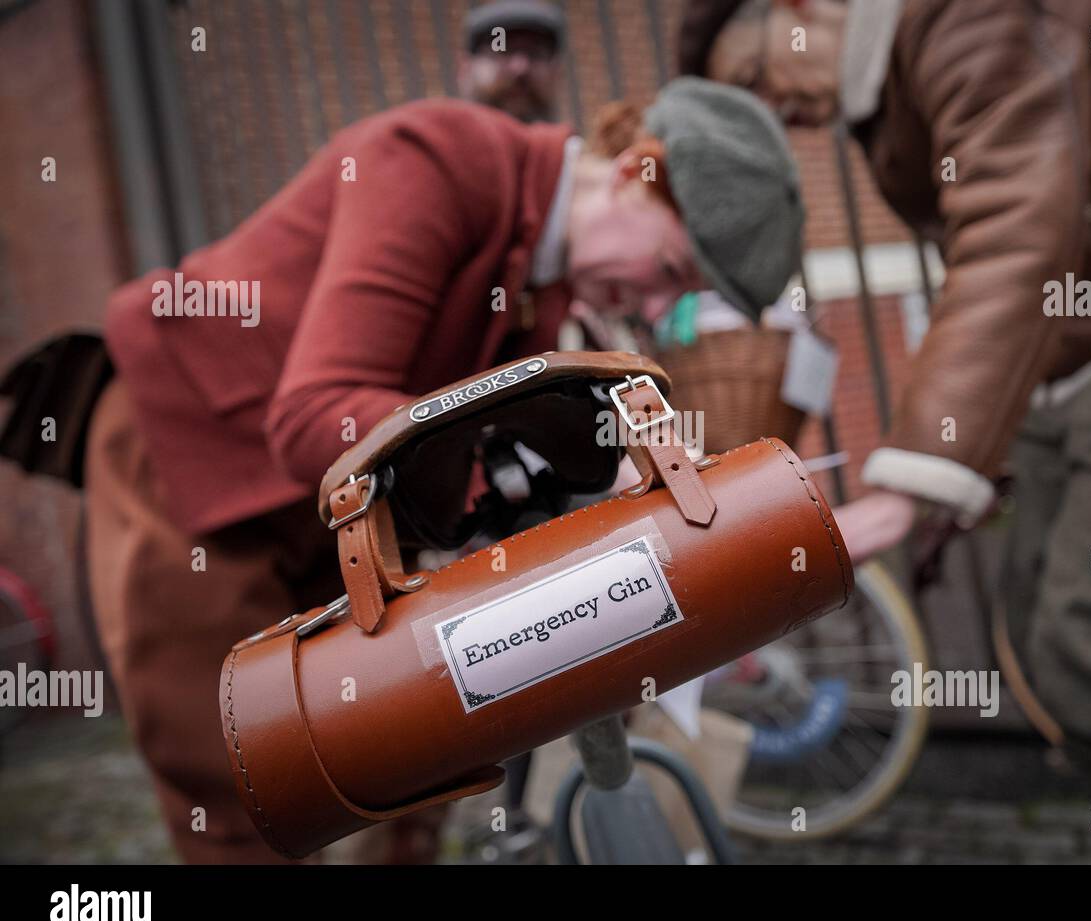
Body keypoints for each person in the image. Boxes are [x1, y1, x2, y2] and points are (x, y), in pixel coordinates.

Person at [85, 76, 804, 863]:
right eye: (670, 268)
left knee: (409, 741)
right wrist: (481, 478)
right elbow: (311, 415)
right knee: (244, 772)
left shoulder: (554, 282)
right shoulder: (435, 160)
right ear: (634, 173)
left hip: (341, 495)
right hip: (192, 449)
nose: (659, 306)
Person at [680, 0, 1091, 864]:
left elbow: (1015, 217)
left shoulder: (970, 13)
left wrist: (911, 481)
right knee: (1045, 640)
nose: (777, 115)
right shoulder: (886, 78)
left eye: (757, 80)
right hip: (1083, 348)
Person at [460, 0, 565, 124]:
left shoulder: (579, 143)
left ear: (557, 71)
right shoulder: (435, 142)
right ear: (465, 67)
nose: (520, 67)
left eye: (535, 53)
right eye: (501, 50)